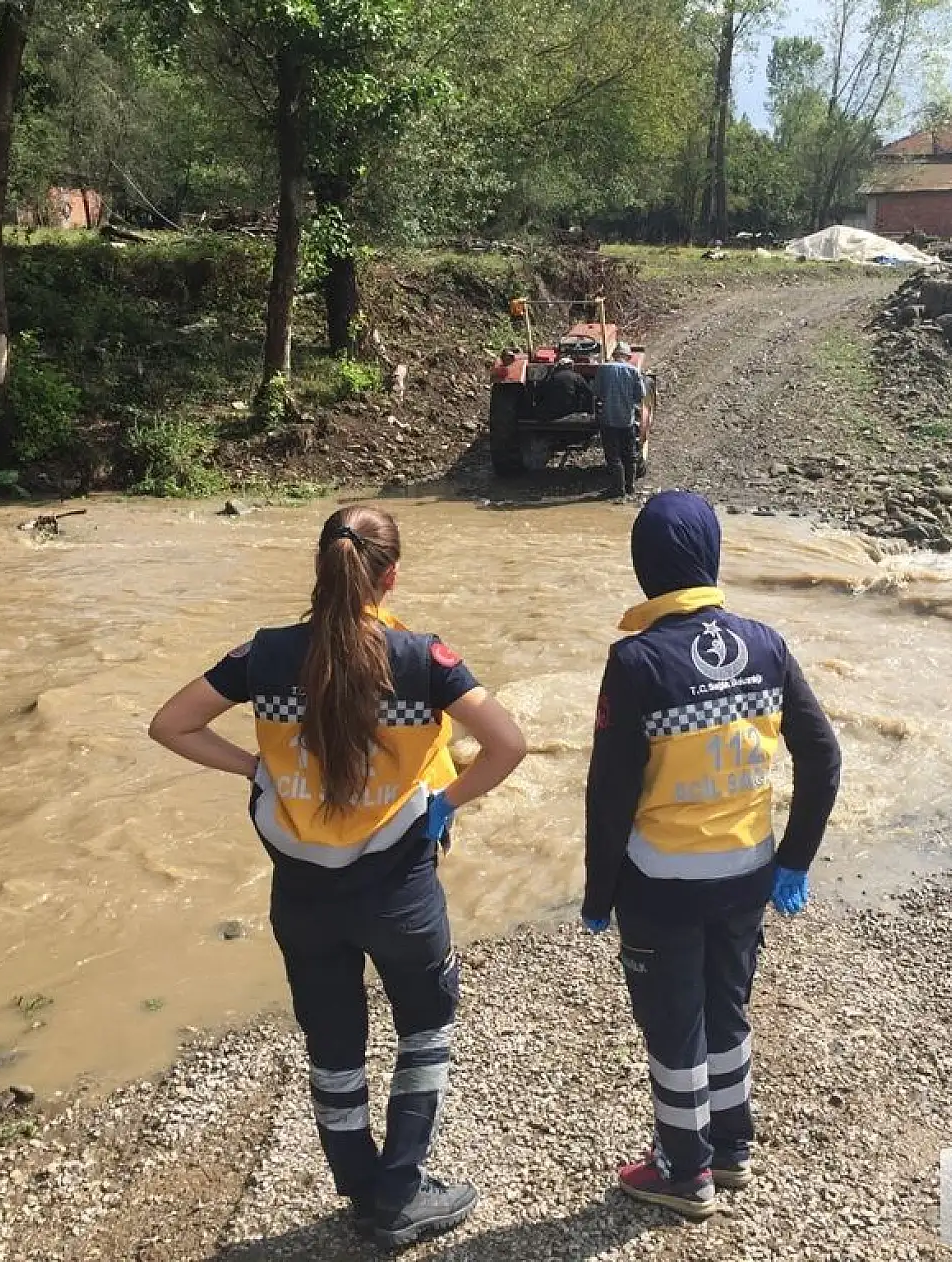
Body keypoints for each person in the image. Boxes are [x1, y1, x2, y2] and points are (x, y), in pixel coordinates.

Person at [148, 505, 526, 1249]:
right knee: (424, 1025)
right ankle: (400, 1192)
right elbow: (508, 744)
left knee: (332, 1042)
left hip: (302, 893)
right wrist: (444, 803)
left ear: (321, 569)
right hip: (400, 889)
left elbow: (171, 725)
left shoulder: (264, 655)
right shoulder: (424, 658)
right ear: (391, 577)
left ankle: (359, 1187)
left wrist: (255, 767)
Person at [582, 490, 841, 1221]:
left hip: (661, 885)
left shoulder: (635, 661)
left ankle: (683, 1170)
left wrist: (599, 894)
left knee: (674, 1027)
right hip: (746, 875)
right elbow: (823, 756)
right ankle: (730, 1146)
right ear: (712, 556)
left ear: (644, 567)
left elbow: (610, 792)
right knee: (726, 1011)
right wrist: (794, 858)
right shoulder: (767, 646)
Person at [593, 342, 648, 498]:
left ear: (614, 355)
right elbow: (640, 395)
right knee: (629, 454)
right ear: (627, 357)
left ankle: (617, 488)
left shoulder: (603, 369)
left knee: (613, 456)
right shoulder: (633, 371)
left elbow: (596, 391)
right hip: (627, 420)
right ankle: (630, 487)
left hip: (609, 419)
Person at [539, 355, 594, 420]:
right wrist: (590, 411)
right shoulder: (576, 377)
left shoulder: (551, 377)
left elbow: (542, 393)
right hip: (569, 411)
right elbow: (588, 393)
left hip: (551, 412)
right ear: (570, 366)